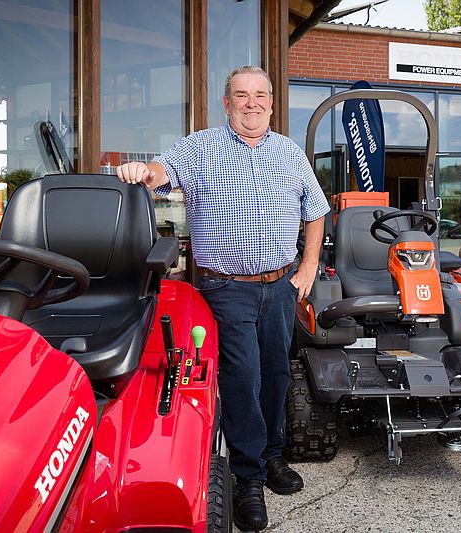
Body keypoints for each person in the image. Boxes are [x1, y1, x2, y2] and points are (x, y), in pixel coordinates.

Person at [117, 65, 330, 532]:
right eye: (241, 95)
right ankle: (248, 478)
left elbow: (315, 212)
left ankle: (273, 457)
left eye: (259, 95)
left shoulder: (290, 153)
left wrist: (309, 267)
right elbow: (159, 172)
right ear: (227, 103)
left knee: (275, 374)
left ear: (272, 103)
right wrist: (140, 171)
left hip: (279, 286)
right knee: (242, 376)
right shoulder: (200, 147)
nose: (251, 103)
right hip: (225, 287)